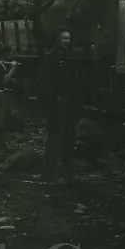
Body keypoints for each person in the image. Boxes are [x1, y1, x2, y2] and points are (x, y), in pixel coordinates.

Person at [41, 29, 80, 183]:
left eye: (68, 38)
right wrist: (53, 99)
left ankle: (67, 174)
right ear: (57, 39)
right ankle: (49, 174)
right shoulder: (50, 57)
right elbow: (45, 82)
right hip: (56, 104)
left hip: (67, 103)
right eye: (64, 38)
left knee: (69, 139)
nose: (66, 41)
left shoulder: (69, 57)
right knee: (55, 140)